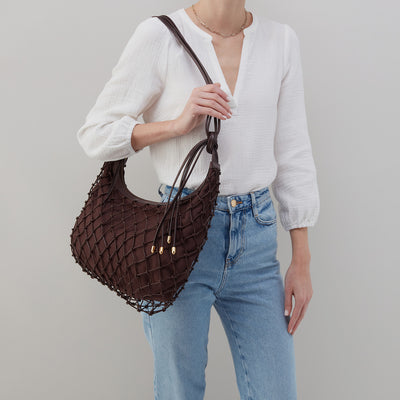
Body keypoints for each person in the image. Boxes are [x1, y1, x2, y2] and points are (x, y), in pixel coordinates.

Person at [76, 1, 320, 399]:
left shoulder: (281, 41)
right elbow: (95, 134)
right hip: (177, 240)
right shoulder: (160, 36)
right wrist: (176, 125)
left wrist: (302, 260)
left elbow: (293, 152)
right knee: (179, 392)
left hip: (257, 242)